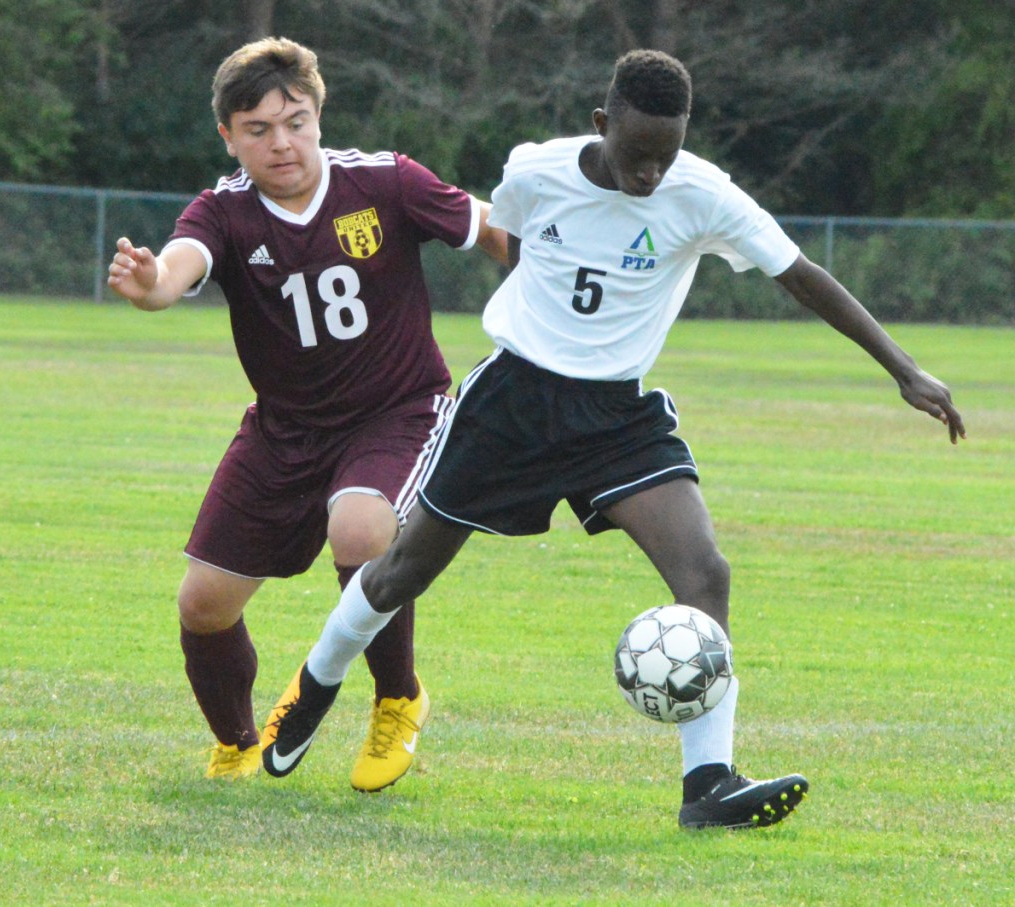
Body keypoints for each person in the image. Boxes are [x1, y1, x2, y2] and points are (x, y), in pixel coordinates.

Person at [260, 50, 965, 827]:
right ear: (603, 124)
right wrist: (549, 326)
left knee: (705, 574)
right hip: (514, 403)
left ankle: (710, 785)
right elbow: (520, 243)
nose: (651, 174)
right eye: (637, 155)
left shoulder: (703, 194)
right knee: (401, 571)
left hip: (618, 418)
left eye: (666, 156)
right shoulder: (535, 169)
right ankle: (316, 682)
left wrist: (903, 369)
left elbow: (799, 274)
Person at [107, 37, 507, 787]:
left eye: (295, 121)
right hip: (284, 428)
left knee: (359, 526)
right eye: (257, 129)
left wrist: (554, 281)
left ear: (319, 115)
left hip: (398, 409)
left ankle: (398, 698)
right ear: (227, 135)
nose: (280, 142)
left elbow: (489, 230)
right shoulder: (223, 212)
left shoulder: (386, 181)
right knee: (203, 604)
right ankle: (236, 742)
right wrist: (151, 281)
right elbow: (175, 270)